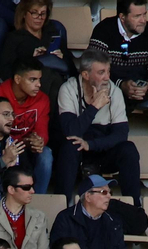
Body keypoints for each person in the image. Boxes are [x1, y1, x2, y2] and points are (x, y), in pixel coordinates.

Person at [89, 0, 148, 166]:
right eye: (137, 16)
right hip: (111, 88)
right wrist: (120, 84)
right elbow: (94, 69)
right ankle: (102, 152)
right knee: (99, 90)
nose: (143, 20)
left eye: (144, 14)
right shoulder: (103, 30)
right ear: (122, 17)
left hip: (141, 88)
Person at [53, 51, 141, 205]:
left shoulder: (115, 91)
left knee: (129, 149)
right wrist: (94, 107)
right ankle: (61, 206)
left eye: (108, 71)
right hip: (77, 152)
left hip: (101, 150)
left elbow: (121, 134)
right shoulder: (68, 89)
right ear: (86, 75)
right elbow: (70, 132)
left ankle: (134, 207)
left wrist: (91, 145)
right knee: (69, 147)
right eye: (101, 72)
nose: (107, 77)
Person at [0, 60, 52, 192]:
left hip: (27, 148)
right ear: (18, 79)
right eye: (32, 80)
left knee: (46, 154)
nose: (38, 84)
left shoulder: (42, 99)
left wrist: (38, 141)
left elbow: (42, 131)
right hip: (2, 147)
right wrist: (21, 142)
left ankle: (37, 199)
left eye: (39, 79)